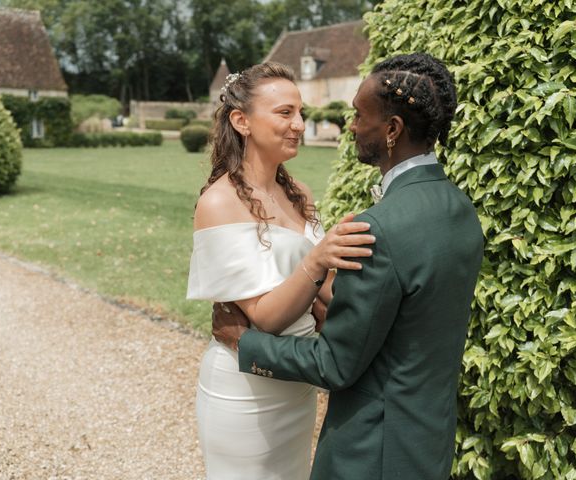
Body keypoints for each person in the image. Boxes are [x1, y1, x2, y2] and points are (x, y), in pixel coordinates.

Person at [212, 53, 484, 480]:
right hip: (427, 435)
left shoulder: (380, 228)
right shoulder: (460, 209)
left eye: (360, 115)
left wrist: (243, 343)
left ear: (392, 130)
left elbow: (335, 364)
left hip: (373, 449)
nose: (351, 126)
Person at [186, 62, 375, 480]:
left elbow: (325, 293)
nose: (299, 125)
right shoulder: (219, 203)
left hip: (298, 380)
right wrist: (318, 258)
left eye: (301, 113)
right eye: (285, 113)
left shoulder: (299, 193)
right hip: (245, 391)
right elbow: (265, 318)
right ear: (242, 121)